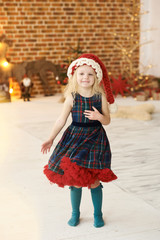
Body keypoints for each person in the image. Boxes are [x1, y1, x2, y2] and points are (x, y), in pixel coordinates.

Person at [41, 53, 117, 228]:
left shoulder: (100, 97)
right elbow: (61, 120)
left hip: (95, 139)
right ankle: (75, 213)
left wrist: (99, 116)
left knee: (93, 180)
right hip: (74, 138)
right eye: (81, 73)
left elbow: (107, 120)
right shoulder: (72, 97)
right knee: (75, 179)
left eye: (90, 74)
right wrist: (51, 138)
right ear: (74, 76)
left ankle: (98, 214)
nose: (85, 77)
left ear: (96, 77)